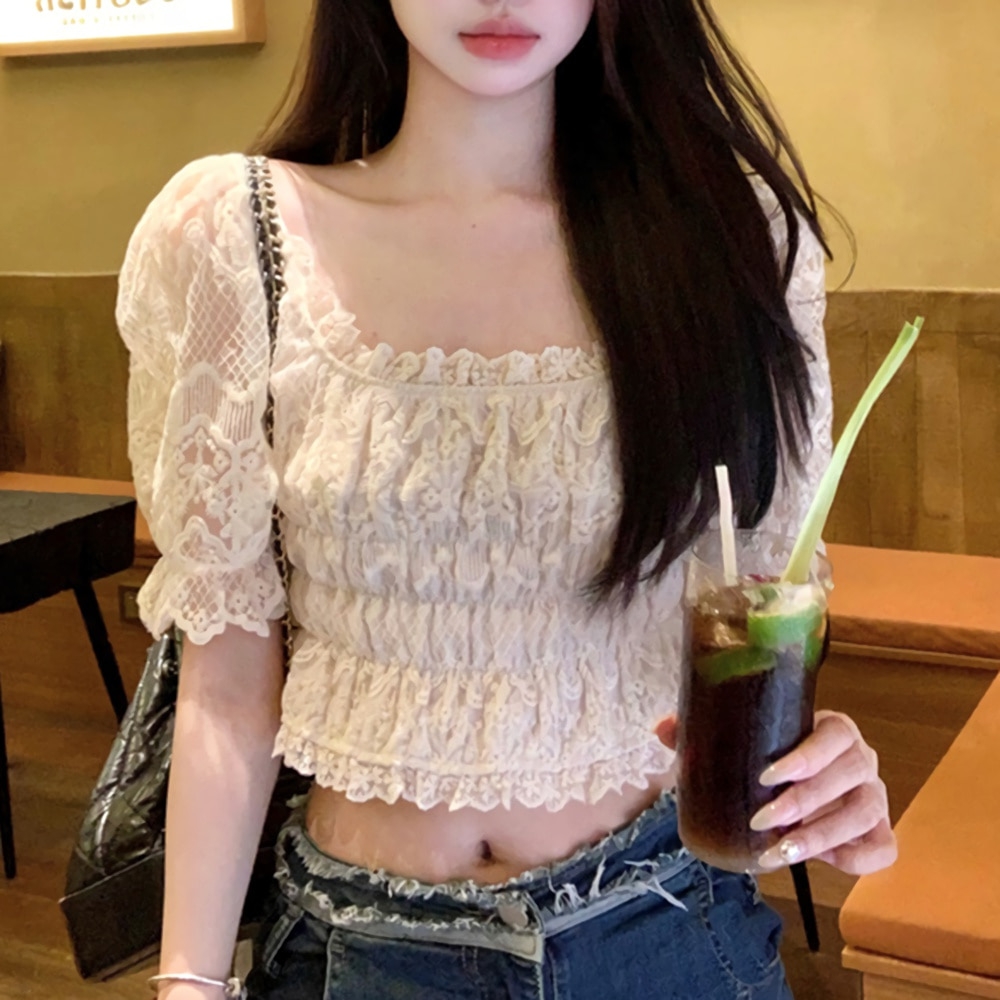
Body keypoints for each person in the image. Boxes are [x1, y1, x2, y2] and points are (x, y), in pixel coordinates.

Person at [117, 2, 897, 998]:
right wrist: (189, 980)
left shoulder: (734, 242)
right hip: (362, 950)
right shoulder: (236, 237)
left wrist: (822, 771)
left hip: (662, 928)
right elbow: (227, 682)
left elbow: (757, 609)